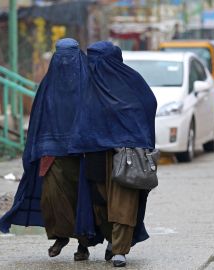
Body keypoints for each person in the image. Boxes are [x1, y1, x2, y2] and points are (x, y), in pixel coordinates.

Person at [0, 38, 103, 260]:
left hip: (83, 153)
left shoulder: (90, 84)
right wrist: (39, 147)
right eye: (61, 56)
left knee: (83, 201)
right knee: (52, 198)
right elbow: (38, 121)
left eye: (69, 56)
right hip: (53, 153)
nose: (65, 62)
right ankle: (60, 236)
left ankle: (83, 245)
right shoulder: (48, 86)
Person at [69, 41, 157, 267]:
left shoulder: (131, 81)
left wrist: (129, 133)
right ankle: (111, 240)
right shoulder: (87, 84)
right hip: (95, 151)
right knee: (100, 202)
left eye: (97, 59)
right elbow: (80, 115)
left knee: (124, 202)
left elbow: (147, 105)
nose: (93, 64)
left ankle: (120, 250)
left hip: (126, 153)